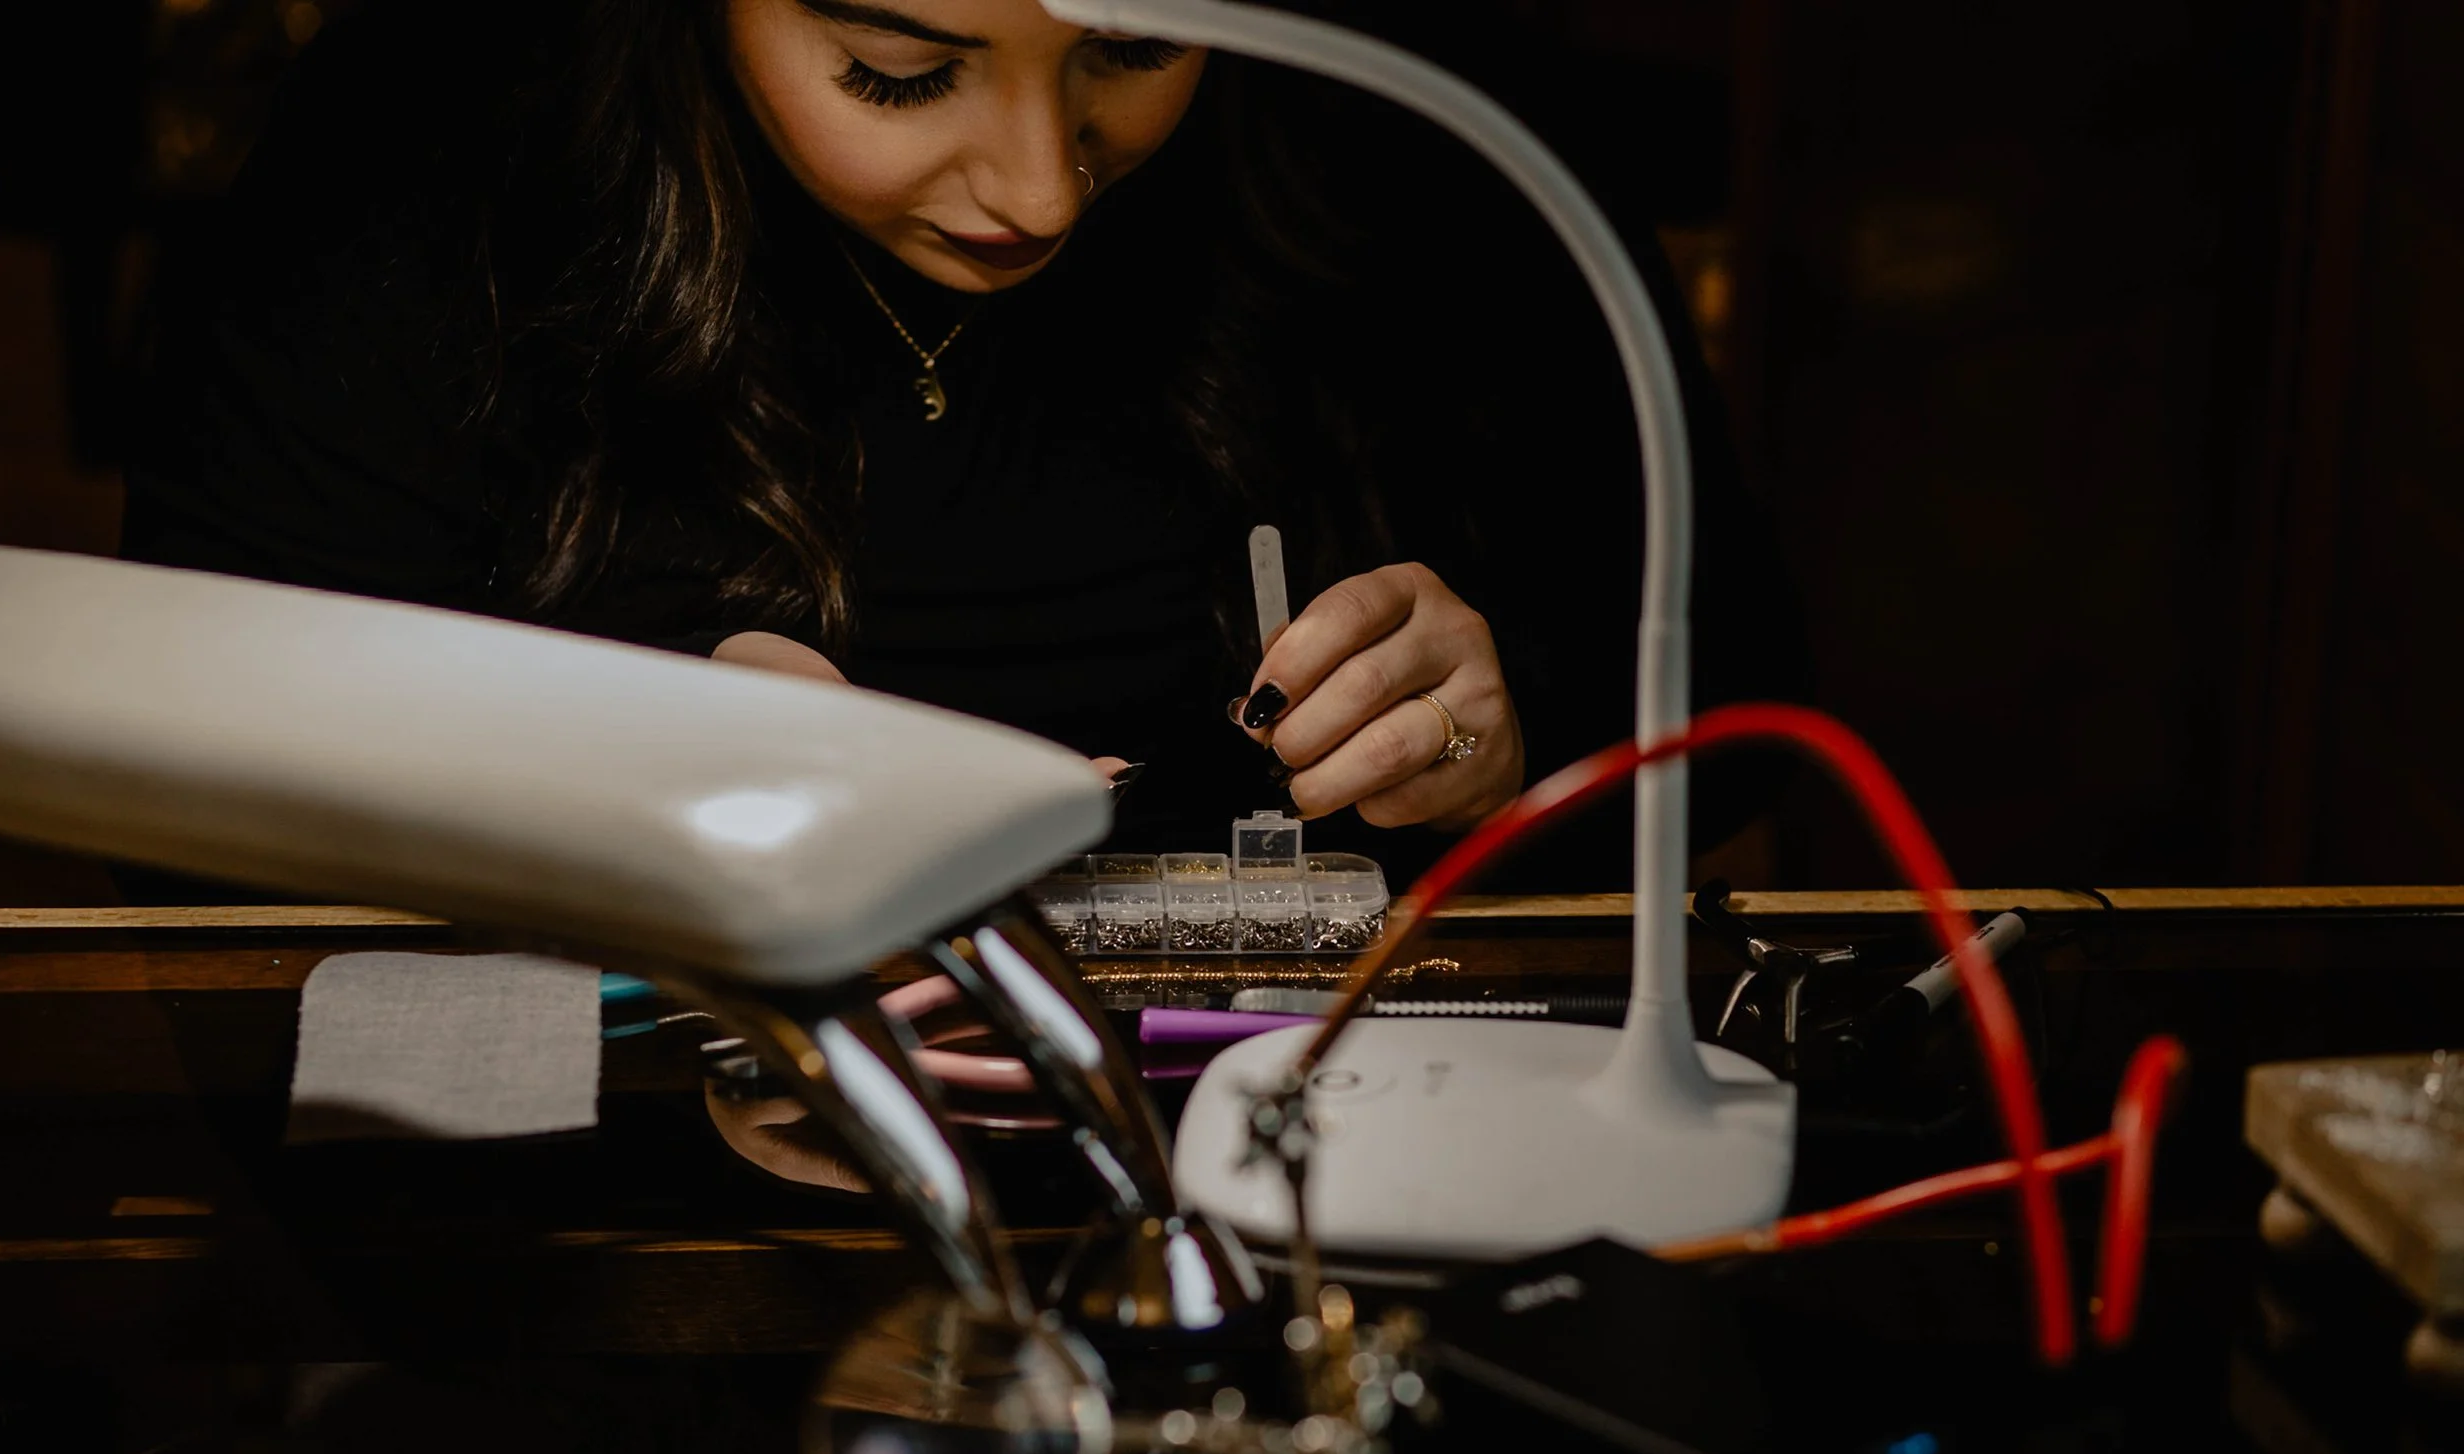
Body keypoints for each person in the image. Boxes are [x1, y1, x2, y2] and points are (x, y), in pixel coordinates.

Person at [122, 0, 1805, 885]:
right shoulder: (417, 170)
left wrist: (1517, 735)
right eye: (900, 72)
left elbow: (1737, 707)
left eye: (1136, 51)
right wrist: (609, 765)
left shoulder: (1418, 141)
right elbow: (199, 772)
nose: (1041, 188)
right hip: (577, 1277)